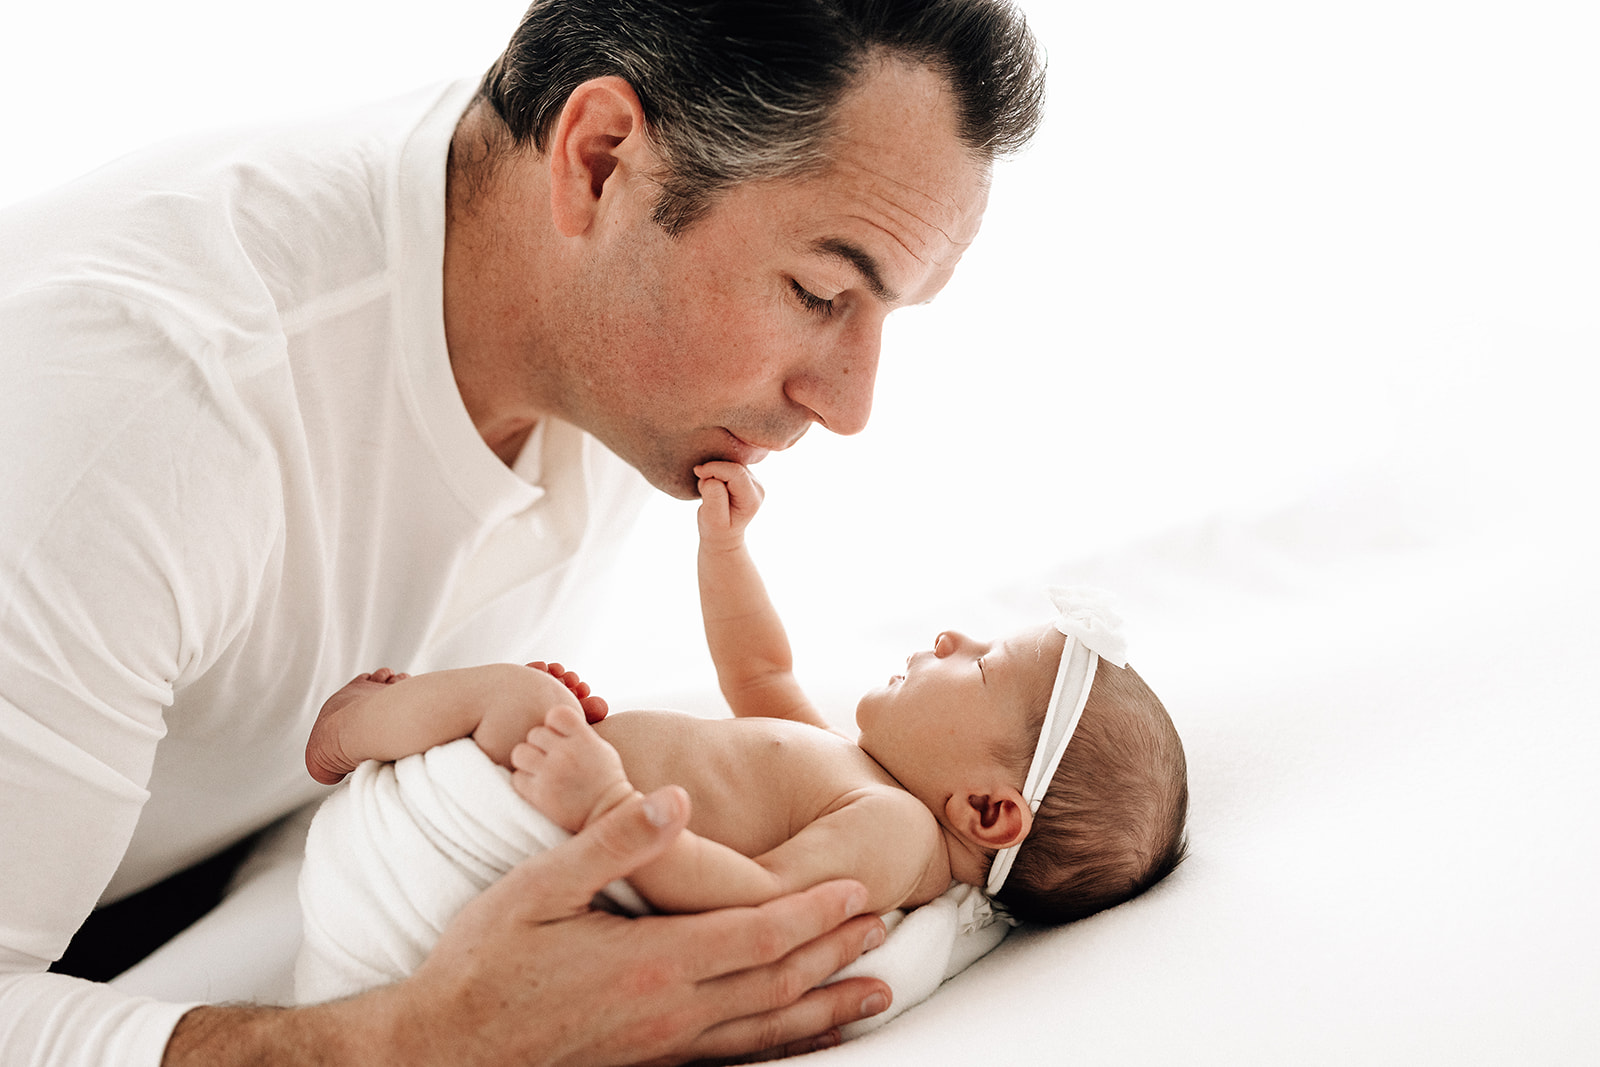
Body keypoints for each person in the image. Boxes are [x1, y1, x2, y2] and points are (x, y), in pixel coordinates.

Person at [0, 1, 1048, 1063]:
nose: (849, 402)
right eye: (819, 291)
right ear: (597, 161)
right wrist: (407, 1041)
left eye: (884, 312)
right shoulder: (144, 413)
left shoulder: (616, 343)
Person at [297, 461, 1188, 1001]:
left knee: (525, 697)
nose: (955, 637)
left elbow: (754, 902)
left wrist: (609, 806)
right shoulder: (862, 777)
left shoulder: (894, 831)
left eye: (983, 666)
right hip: (521, 809)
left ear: (989, 811)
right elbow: (758, 674)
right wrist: (726, 550)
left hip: (512, 840)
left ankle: (355, 724)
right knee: (531, 700)